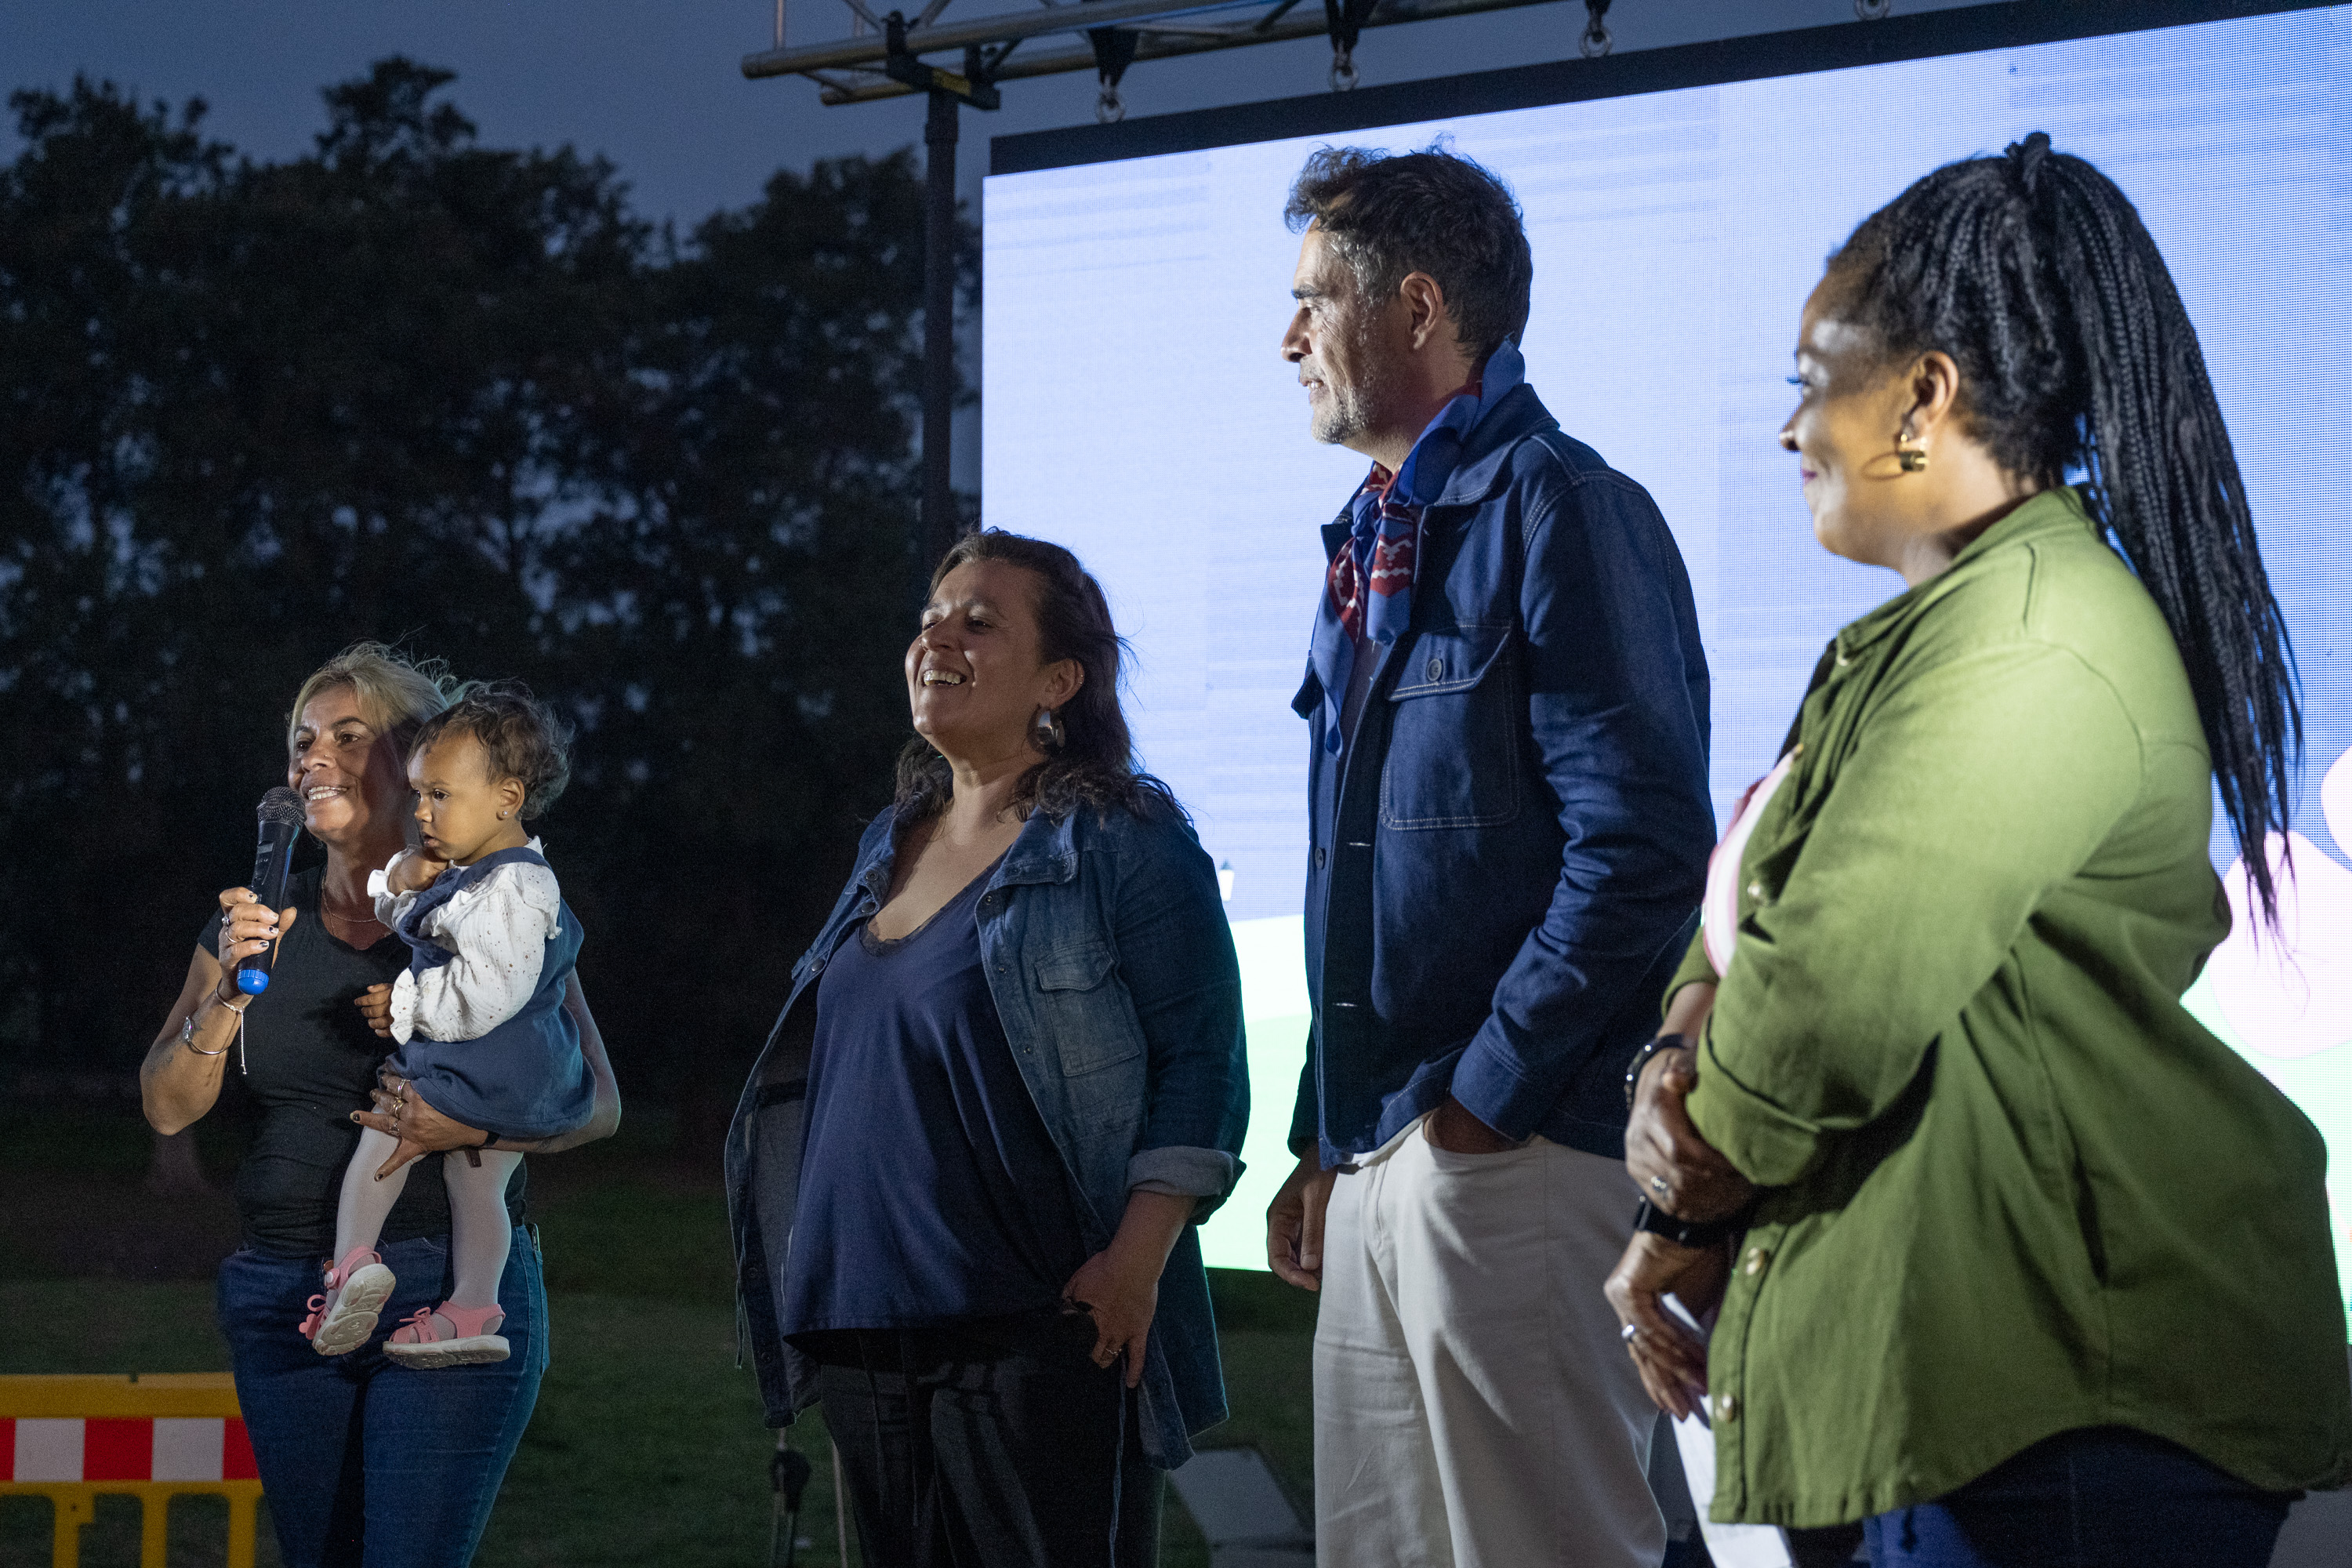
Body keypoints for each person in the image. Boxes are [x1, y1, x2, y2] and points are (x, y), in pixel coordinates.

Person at [1605, 133, 2352, 1568]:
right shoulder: (1922, 647)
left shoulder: (2030, 643)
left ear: (1924, 400)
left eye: (1809, 383)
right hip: (1949, 1398)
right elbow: (1750, 929)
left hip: (2061, 1404)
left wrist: (1682, 1199)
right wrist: (1670, 1054)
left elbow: (1831, 986)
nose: (1788, 433)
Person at [1262, 146, 1715, 1568]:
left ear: (1414, 308)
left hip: (1513, 1154)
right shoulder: (1365, 544)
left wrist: (1480, 1105)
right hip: (1386, 1149)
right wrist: (1319, 1138)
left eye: (1312, 301)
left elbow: (1643, 851)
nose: (1286, 340)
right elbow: (1356, 874)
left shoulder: (1565, 507)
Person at [727, 531, 1249, 1568]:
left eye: (980, 622)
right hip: (863, 1323)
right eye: (931, 615)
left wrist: (1134, 1265)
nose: (939, 636)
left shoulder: (1125, 844)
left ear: (1061, 679)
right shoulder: (891, 839)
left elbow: (1203, 1067)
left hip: (1037, 1328)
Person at [139, 643, 620, 1568]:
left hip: (443, 1282)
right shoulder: (252, 923)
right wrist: (228, 997)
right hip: (288, 1296)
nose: (311, 756)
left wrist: (471, 1129)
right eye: (302, 739)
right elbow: (167, 1107)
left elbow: (597, 1102)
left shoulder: (495, 914)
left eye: (347, 736)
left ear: (417, 759)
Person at [303, 684, 593, 1370]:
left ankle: (351, 1268)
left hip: (482, 1063)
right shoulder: (482, 876)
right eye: (419, 795)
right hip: (507, 1074)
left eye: (441, 795)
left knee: (382, 1139)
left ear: (508, 798)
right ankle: (473, 1306)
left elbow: (488, 989)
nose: (424, 813)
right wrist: (403, 884)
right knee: (478, 1186)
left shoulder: (520, 886)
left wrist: (405, 1005)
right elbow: (429, 922)